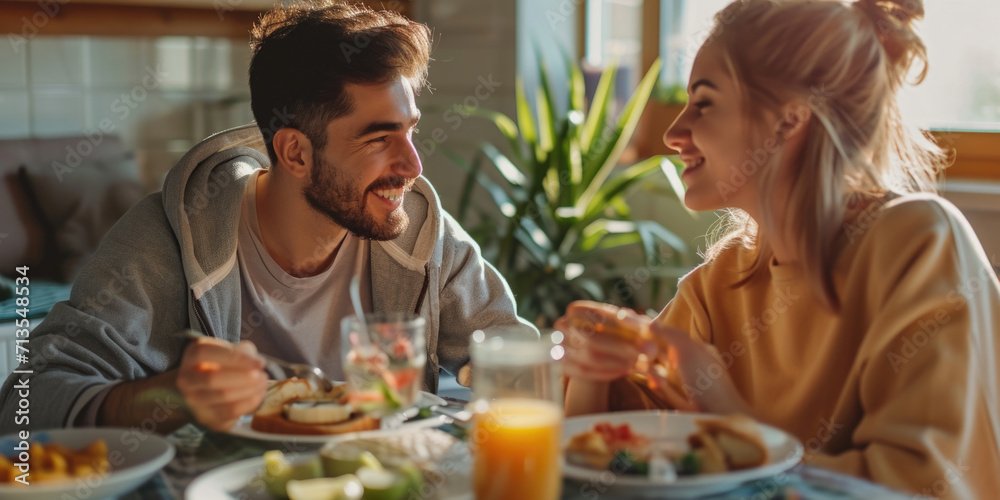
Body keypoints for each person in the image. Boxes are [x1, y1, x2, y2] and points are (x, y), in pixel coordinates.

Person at [0, 0, 533, 433]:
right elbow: (23, 403)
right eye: (378, 138)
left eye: (410, 130)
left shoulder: (419, 231)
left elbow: (519, 368)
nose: (413, 165)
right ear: (296, 153)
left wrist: (601, 366)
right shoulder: (168, 236)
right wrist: (164, 397)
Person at [557, 0, 1000, 497]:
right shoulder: (721, 279)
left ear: (790, 121)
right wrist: (591, 367)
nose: (673, 133)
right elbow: (610, 462)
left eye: (703, 103)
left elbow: (922, 486)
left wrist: (730, 417)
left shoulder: (918, 242)